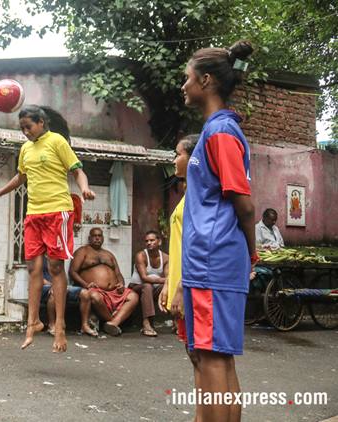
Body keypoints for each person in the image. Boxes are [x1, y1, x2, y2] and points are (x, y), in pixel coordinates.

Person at [179, 40, 257, 422]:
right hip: (216, 258)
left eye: (187, 79)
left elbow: (244, 204)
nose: (183, 86)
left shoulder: (221, 133)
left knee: (209, 357)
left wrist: (253, 251)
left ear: (206, 81)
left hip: (212, 258)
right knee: (218, 357)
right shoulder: (219, 130)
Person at [0, 105, 95, 353]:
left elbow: (77, 171)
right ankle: (33, 321)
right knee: (33, 267)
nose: (25, 132)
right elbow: (21, 176)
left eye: (29, 126)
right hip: (33, 214)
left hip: (57, 212)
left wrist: (84, 189)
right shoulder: (25, 148)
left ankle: (60, 327)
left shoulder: (56, 141)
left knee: (55, 267)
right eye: (22, 128)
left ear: (42, 123)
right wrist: (0, 191)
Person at [158, 134, 199, 412]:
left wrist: (182, 288)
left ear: (193, 158)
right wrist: (167, 283)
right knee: (193, 355)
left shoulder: (201, 195)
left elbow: (199, 247)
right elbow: (180, 244)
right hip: (180, 284)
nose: (174, 159)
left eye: (178, 153)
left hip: (193, 286)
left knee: (202, 357)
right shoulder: (188, 193)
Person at [69, 228, 139, 336]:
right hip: (96, 290)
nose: (97, 238)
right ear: (89, 238)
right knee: (94, 296)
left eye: (100, 236)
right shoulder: (82, 251)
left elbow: (118, 274)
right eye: (94, 236)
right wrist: (86, 285)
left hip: (114, 291)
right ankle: (113, 321)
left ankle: (112, 323)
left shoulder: (109, 254)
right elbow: (73, 272)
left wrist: (121, 284)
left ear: (103, 238)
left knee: (133, 296)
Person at [39, 257, 95, 337]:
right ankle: (52, 325)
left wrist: (62, 286)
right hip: (43, 287)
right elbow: (37, 278)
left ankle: (85, 325)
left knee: (85, 294)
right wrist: (55, 286)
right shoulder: (39, 258)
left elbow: (61, 275)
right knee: (55, 292)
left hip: (59, 285)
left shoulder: (57, 256)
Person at [128, 230, 168, 337]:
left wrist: (167, 282)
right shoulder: (141, 255)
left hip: (153, 289)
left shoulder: (165, 257)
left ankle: (177, 321)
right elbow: (144, 278)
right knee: (147, 285)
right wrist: (165, 280)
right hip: (136, 288)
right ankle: (146, 323)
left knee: (170, 287)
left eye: (152, 240)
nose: (149, 243)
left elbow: (168, 278)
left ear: (159, 242)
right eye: (147, 241)